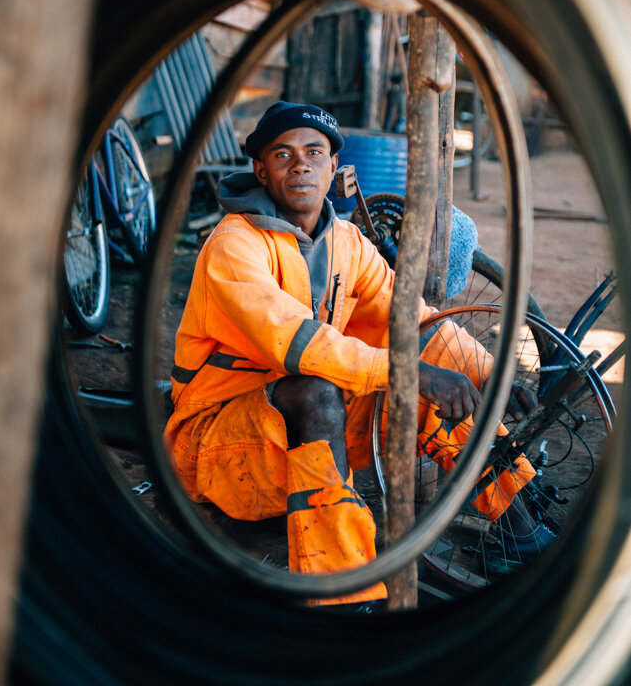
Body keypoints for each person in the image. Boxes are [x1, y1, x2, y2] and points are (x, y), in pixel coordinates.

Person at [165, 102, 554, 608]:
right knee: (320, 389)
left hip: (289, 443)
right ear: (261, 170)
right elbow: (297, 341)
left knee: (436, 386)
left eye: (314, 152)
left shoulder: (346, 242)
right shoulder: (233, 246)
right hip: (219, 448)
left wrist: (490, 377)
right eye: (283, 154)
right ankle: (344, 593)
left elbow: (414, 321)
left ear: (333, 168)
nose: (300, 164)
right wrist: (412, 373)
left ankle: (519, 529)